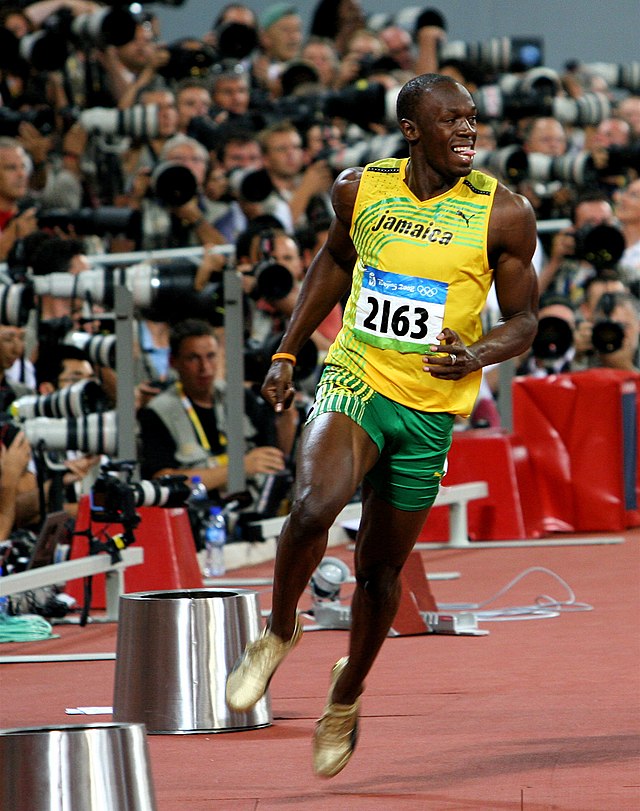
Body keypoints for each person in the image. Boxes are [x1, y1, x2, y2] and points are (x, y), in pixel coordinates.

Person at [225, 73, 539, 777]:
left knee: (379, 571)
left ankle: (347, 692)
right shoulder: (358, 189)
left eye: (473, 120)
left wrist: (478, 352)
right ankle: (278, 630)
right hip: (357, 375)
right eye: (451, 120)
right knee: (312, 506)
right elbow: (333, 263)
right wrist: (287, 346)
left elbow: (525, 319)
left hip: (428, 406)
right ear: (411, 130)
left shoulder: (505, 213)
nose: (468, 131)